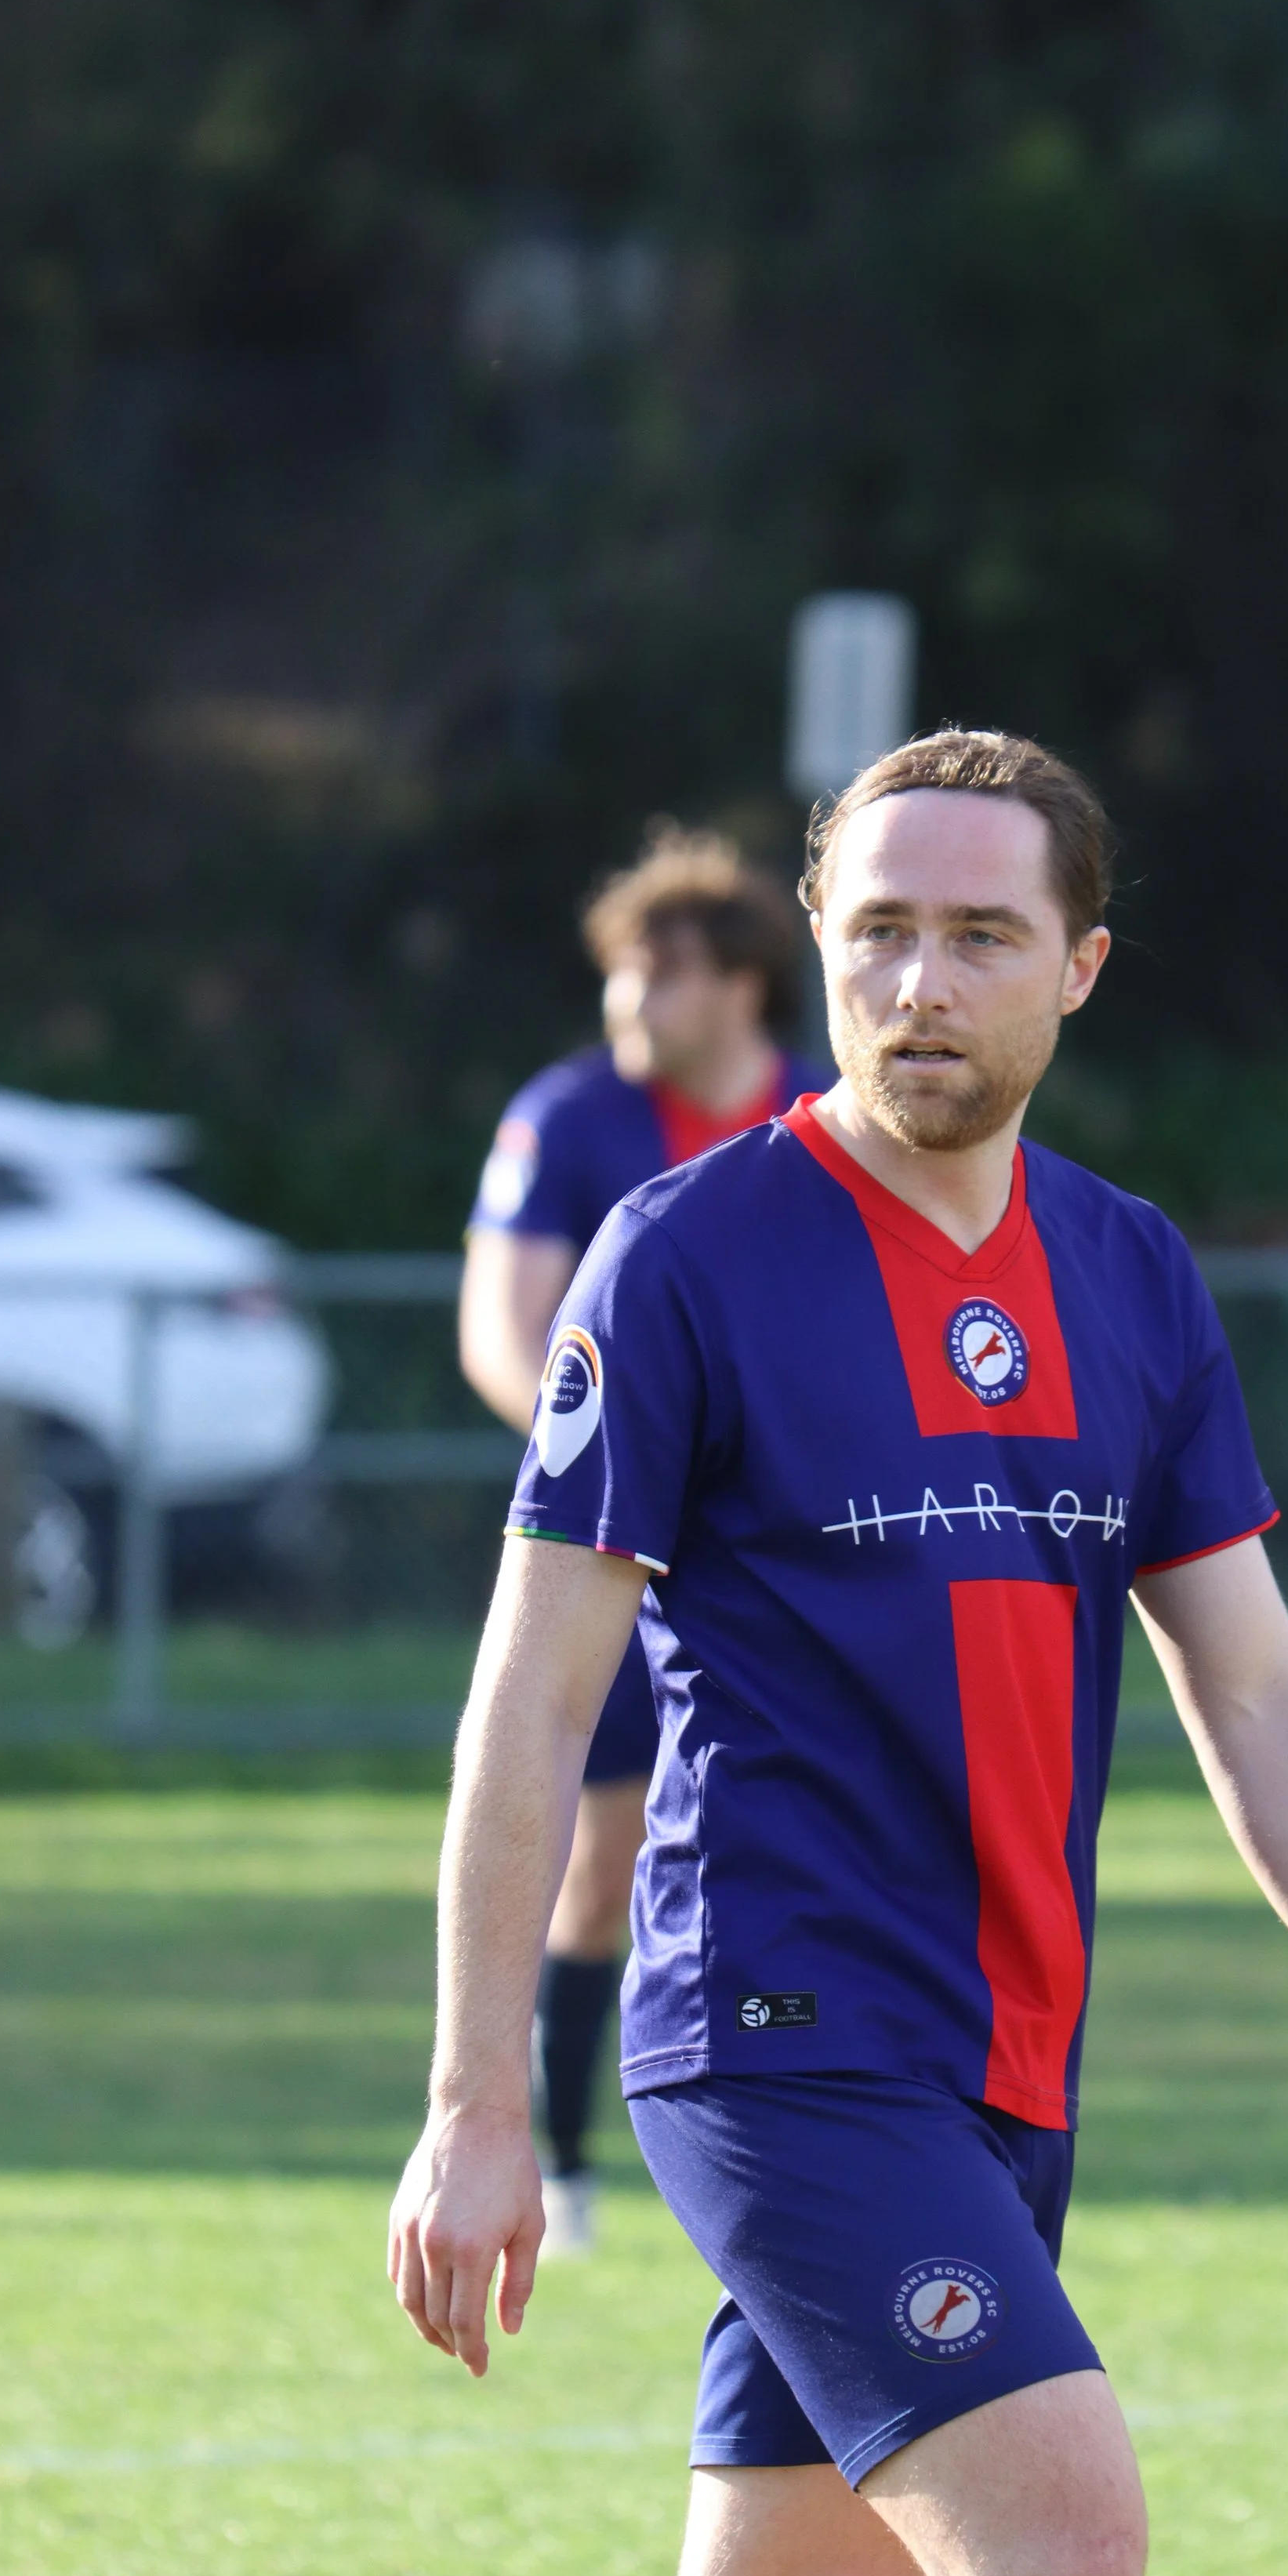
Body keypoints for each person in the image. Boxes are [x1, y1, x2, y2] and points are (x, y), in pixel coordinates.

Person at [394, 729, 1288, 2576]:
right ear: (818, 949)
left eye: (980, 934)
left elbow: (1256, 1682)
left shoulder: (1125, 1273)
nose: (921, 980)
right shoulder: (685, 1254)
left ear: (1078, 967)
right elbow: (528, 1704)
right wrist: (472, 2100)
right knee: (1062, 2551)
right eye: (878, 930)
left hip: (1001, 2052)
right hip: (774, 2031)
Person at [459, 824, 824, 2252]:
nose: (626, 1007)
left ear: (740, 984)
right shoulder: (568, 1119)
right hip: (625, 1542)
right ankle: (560, 2158)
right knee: (600, 1862)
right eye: (616, 976)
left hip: (793, 1567)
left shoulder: (828, 1117)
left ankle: (796, 2143)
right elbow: (508, 1333)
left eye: (657, 976)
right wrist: (624, 1463)